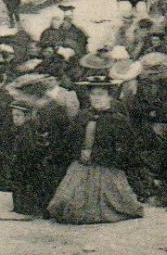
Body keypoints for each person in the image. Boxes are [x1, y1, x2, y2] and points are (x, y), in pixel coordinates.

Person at [45, 68, 145, 225]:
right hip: (81, 166)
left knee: (115, 202)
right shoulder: (82, 116)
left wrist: (101, 156)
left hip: (107, 166)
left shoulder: (118, 120)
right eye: (93, 94)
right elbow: (70, 140)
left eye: (101, 95)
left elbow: (126, 148)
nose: (97, 98)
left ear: (109, 97)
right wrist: (78, 154)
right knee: (67, 203)